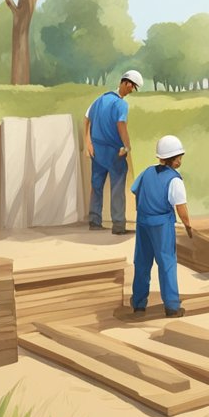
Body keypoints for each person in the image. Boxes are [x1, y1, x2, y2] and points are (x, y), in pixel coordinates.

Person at [130, 135, 193, 318]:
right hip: (162, 225)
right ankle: (172, 307)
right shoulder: (175, 180)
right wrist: (188, 226)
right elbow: (181, 208)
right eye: (179, 157)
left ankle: (139, 305)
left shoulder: (147, 172)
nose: (180, 160)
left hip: (143, 222)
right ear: (172, 159)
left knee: (142, 262)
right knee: (166, 263)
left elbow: (135, 190)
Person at [84, 69, 143, 234]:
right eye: (132, 87)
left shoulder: (100, 99)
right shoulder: (121, 104)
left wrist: (87, 140)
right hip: (114, 152)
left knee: (96, 186)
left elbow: (86, 117)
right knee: (117, 188)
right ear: (125, 83)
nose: (132, 90)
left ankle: (94, 222)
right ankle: (118, 226)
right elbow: (121, 125)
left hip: (97, 150)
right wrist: (127, 146)